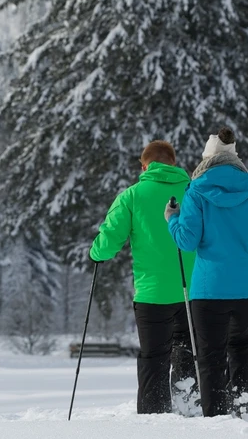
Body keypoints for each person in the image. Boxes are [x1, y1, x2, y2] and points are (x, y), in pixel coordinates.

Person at [165, 126, 248, 418]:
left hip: (211, 289)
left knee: (210, 356)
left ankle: (216, 420)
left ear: (207, 159)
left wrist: (172, 219)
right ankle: (243, 408)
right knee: (241, 345)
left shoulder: (196, 190)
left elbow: (187, 241)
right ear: (234, 158)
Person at [89, 140, 199, 415]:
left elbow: (108, 241)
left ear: (144, 166)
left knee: (154, 359)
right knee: (189, 354)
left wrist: (96, 253)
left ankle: (154, 418)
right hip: (195, 291)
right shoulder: (194, 191)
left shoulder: (132, 196)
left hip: (153, 294)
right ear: (173, 163)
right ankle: (190, 412)